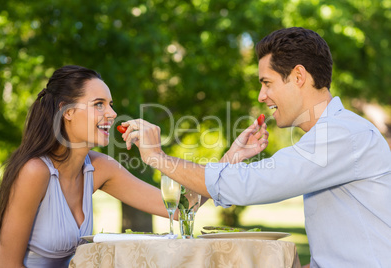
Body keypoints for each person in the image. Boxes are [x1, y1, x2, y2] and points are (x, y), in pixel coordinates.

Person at [121, 27, 391, 267]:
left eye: (267, 83)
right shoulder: (332, 134)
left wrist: (157, 157)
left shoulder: (342, 135)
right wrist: (232, 157)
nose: (262, 96)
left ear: (298, 76)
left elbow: (253, 185)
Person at [0, 65, 178, 268]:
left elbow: (176, 207)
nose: (113, 114)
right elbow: (8, 265)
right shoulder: (35, 171)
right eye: (99, 104)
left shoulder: (100, 168)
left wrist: (161, 157)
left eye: (110, 104)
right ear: (68, 112)